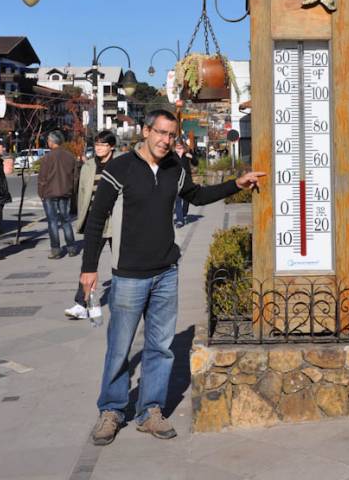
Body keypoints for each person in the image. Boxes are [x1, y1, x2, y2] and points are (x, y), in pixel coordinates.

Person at [80, 109, 264, 446]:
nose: (166, 141)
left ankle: (151, 410)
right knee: (119, 348)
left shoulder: (175, 168)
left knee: (161, 348)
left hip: (166, 271)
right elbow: (96, 220)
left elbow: (196, 197)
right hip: (129, 275)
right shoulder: (119, 168)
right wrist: (88, 269)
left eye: (171, 135)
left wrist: (235, 184)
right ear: (146, 131)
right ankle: (112, 409)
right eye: (161, 133)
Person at [65, 130, 117, 320]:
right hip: (94, 221)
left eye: (103, 145)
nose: (99, 148)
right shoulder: (88, 166)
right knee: (88, 263)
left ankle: (128, 300)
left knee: (122, 261)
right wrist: (82, 217)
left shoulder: (120, 165)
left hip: (115, 221)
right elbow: (82, 193)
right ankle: (81, 303)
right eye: (96, 145)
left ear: (111, 146)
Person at [38, 130, 78, 259]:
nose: (48, 143)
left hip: (49, 193)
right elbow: (75, 177)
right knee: (66, 220)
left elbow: (42, 178)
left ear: (52, 142)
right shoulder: (70, 157)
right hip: (65, 192)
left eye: (48, 140)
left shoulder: (47, 158)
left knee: (52, 222)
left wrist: (41, 193)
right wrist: (72, 191)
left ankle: (56, 250)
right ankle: (71, 247)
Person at [174, 136, 198, 227]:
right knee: (177, 200)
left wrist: (191, 157)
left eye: (180, 147)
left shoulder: (187, 153)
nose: (178, 149)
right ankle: (180, 220)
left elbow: (196, 163)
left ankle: (184, 214)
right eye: (177, 147)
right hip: (176, 179)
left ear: (183, 146)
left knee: (186, 198)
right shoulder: (172, 154)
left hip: (187, 178)